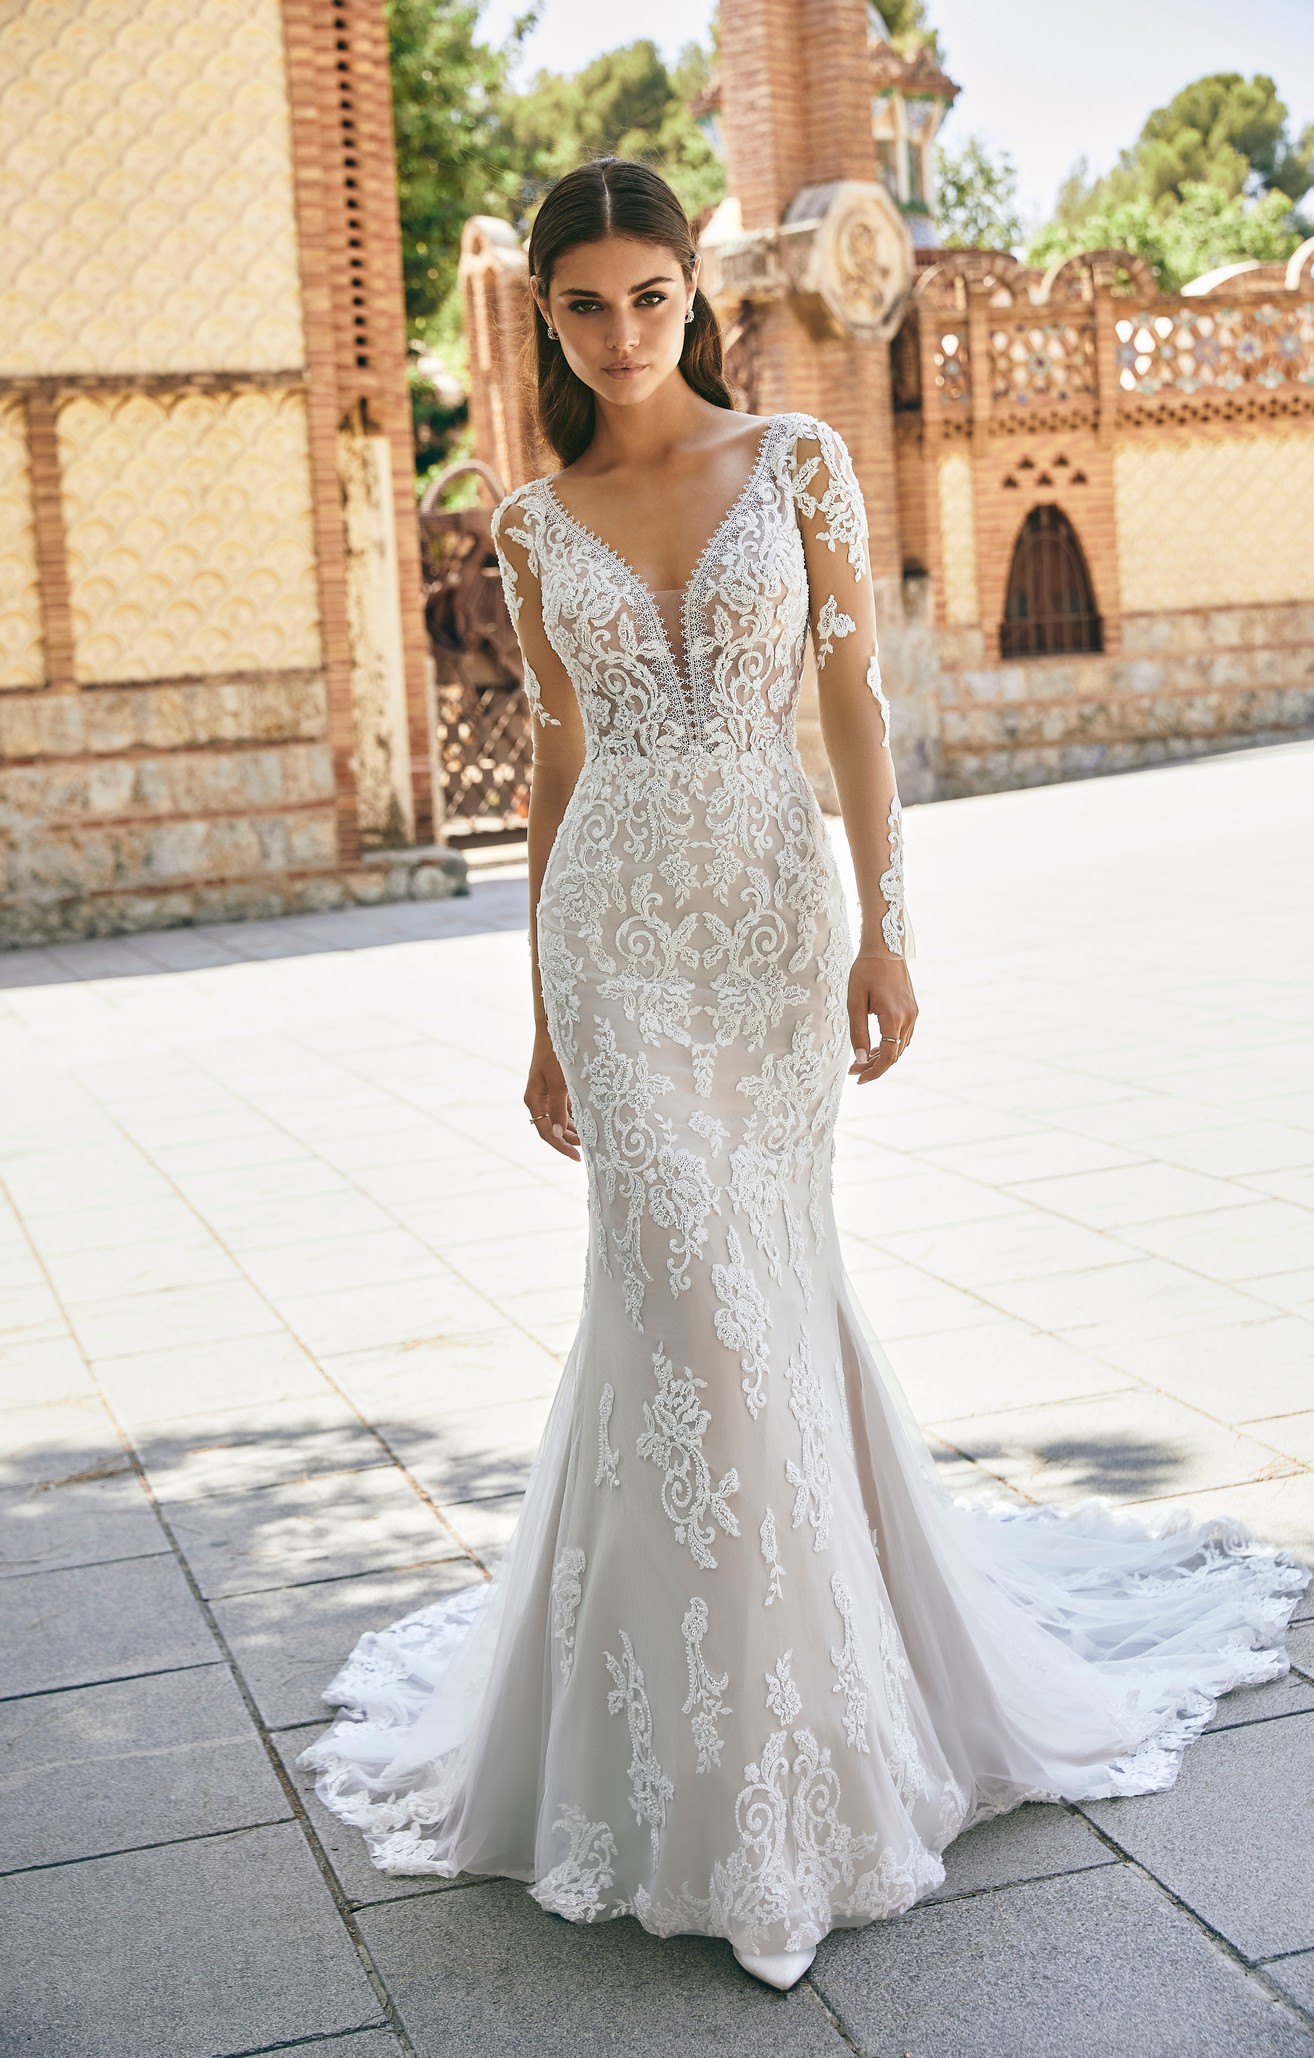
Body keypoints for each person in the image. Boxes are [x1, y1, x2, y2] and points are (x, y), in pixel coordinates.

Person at [301, 158, 1308, 1991]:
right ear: (546, 316)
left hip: (771, 929)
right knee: (681, 1298)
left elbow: (851, 704)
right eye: (584, 305)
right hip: (617, 946)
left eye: (649, 297)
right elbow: (554, 774)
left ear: (697, 292)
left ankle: (817, 1729)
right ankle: (714, 1782)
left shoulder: (796, 466)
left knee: (758, 1294)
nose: (621, 335)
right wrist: (540, 1010)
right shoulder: (534, 526)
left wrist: (887, 925)